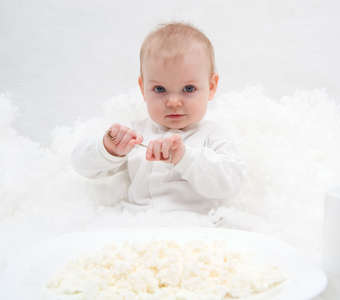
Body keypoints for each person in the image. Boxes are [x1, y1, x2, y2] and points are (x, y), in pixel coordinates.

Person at [71, 22, 245, 216]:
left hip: (195, 227)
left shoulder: (213, 134)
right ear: (142, 87)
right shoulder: (135, 134)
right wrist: (109, 150)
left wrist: (184, 157)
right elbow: (82, 166)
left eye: (189, 89)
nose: (173, 102)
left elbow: (231, 182)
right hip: (136, 224)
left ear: (211, 87)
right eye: (160, 89)